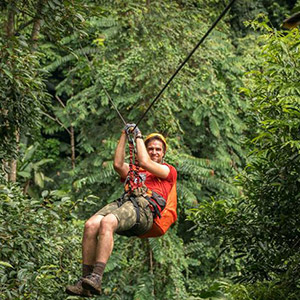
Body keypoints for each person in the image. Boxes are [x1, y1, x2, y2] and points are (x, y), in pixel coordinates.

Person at [66, 124, 177, 297]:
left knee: (108, 221)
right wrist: (124, 135)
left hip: (145, 210)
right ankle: (84, 280)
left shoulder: (168, 171)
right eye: (151, 149)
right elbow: (118, 164)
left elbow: (144, 161)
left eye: (158, 150)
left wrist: (138, 136)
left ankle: (97, 276)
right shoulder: (137, 172)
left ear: (163, 153)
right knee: (90, 225)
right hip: (127, 203)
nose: (154, 152)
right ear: (146, 150)